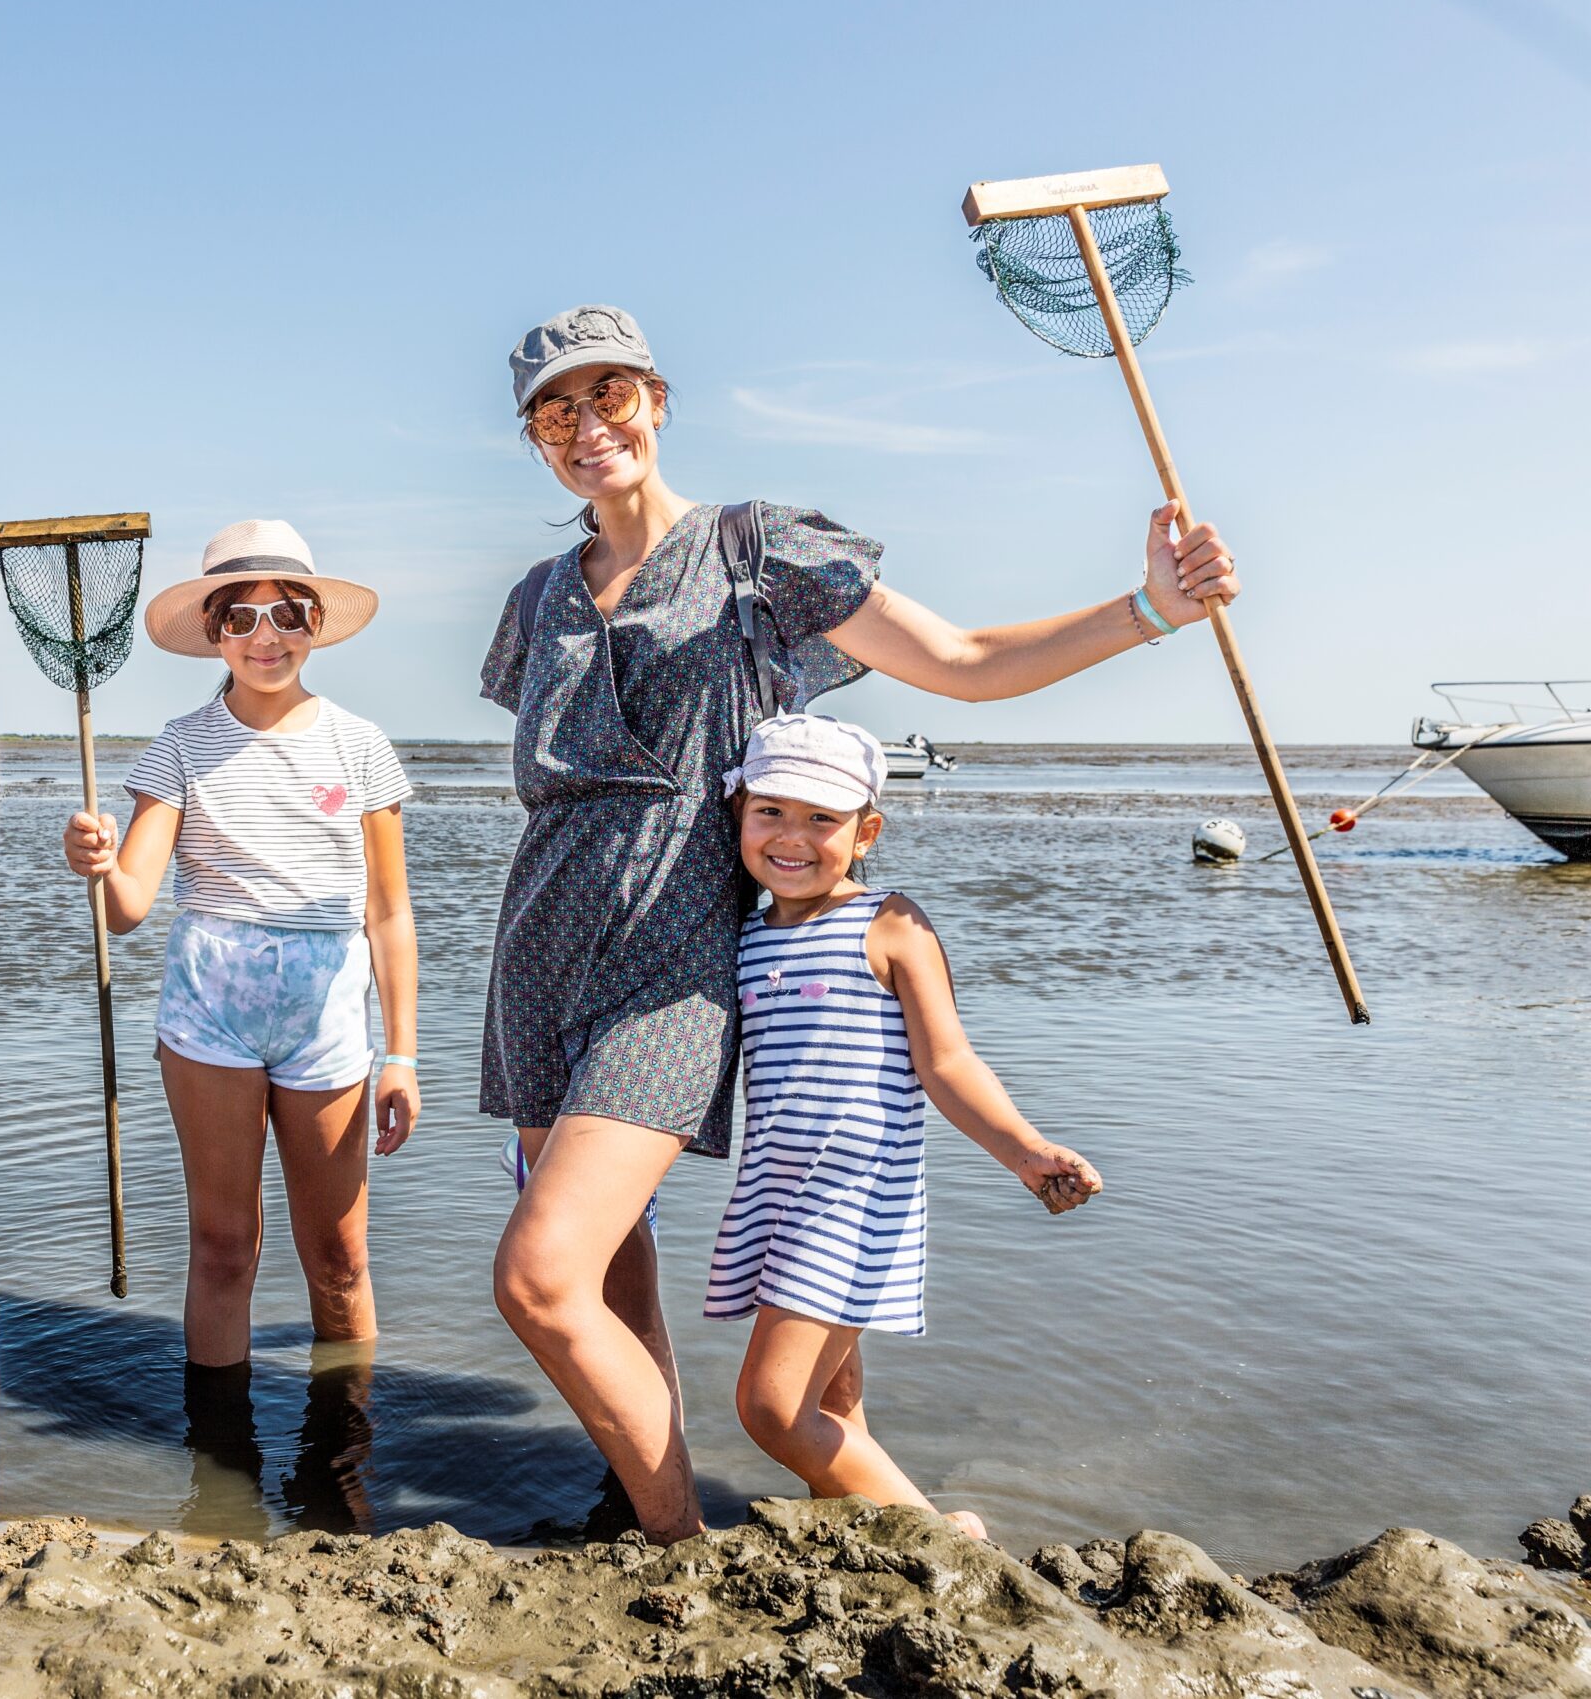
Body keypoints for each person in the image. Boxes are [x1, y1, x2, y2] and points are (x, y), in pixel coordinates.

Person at [479, 304, 1236, 1542]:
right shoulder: (536, 597)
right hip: (537, 964)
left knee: (537, 1278)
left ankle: (683, 1555)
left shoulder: (755, 553)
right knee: (611, 1278)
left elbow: (964, 661)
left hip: (671, 973)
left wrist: (1145, 609)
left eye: (608, 395)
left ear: (656, 401)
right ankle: (658, 1506)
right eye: (554, 411)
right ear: (534, 439)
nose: (586, 427)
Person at [712, 713, 1101, 1540]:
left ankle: (936, 1538)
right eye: (770, 811)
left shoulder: (888, 925)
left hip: (853, 1196)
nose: (793, 836)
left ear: (866, 832)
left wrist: (1024, 1150)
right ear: (738, 815)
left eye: (823, 819)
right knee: (829, 1402)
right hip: (778, 1191)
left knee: (772, 1409)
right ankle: (854, 1532)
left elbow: (949, 1064)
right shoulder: (743, 932)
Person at [62, 519, 419, 1412]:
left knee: (338, 1256)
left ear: (315, 621)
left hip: (327, 1014)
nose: (267, 635)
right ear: (214, 632)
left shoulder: (360, 743)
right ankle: (216, 1463)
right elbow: (130, 906)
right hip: (208, 1012)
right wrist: (98, 864)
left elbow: (389, 910)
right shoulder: (180, 745)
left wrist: (404, 1053)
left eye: (288, 612)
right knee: (223, 1244)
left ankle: (346, 1447)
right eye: (241, 617)